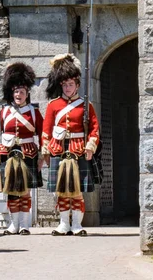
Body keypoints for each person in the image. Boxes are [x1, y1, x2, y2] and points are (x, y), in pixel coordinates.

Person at [41, 53, 100, 236]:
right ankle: (64, 224)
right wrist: (46, 151)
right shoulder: (53, 105)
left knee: (77, 191)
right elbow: (46, 130)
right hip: (59, 149)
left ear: (77, 85)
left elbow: (94, 128)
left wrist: (90, 146)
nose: (68, 88)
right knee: (62, 190)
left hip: (78, 150)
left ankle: (76, 225)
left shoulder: (85, 105)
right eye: (65, 85)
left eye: (71, 85)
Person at [0, 62, 43, 235]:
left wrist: (42, 156)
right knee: (12, 190)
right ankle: (13, 224)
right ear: (11, 93)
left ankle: (24, 224)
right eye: (16, 91)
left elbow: (44, 134)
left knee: (25, 190)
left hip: (28, 153)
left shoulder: (34, 113)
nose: (18, 95)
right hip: (8, 153)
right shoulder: (4, 112)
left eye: (21, 91)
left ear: (27, 93)